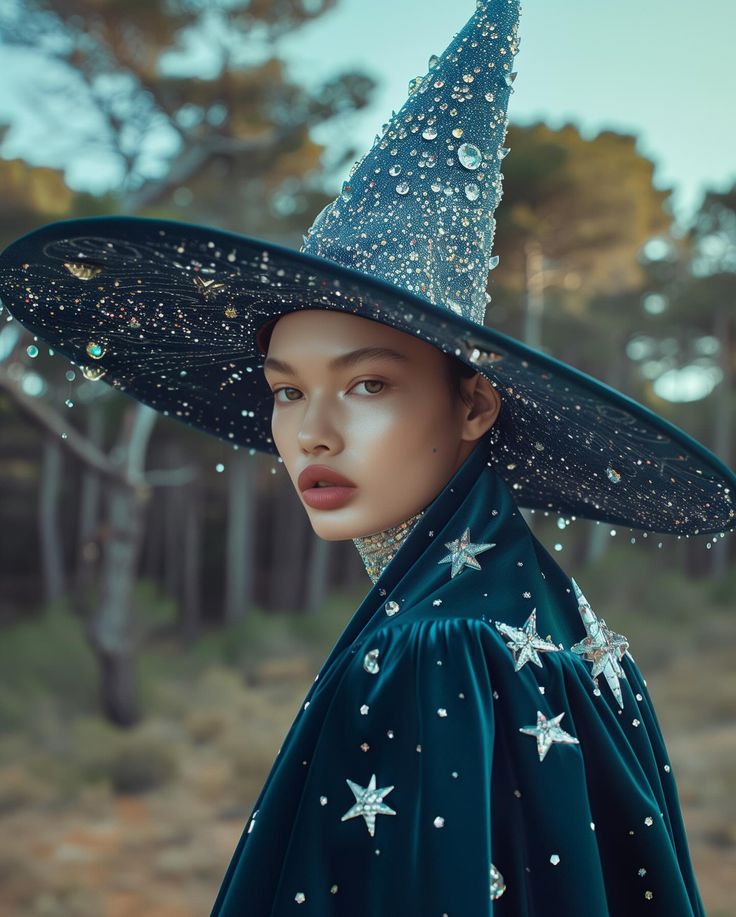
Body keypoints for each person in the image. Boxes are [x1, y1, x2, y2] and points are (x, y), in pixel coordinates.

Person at [0, 0, 732, 912]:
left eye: (369, 384)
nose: (312, 431)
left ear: (473, 403)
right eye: (286, 388)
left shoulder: (434, 645)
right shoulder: (533, 603)